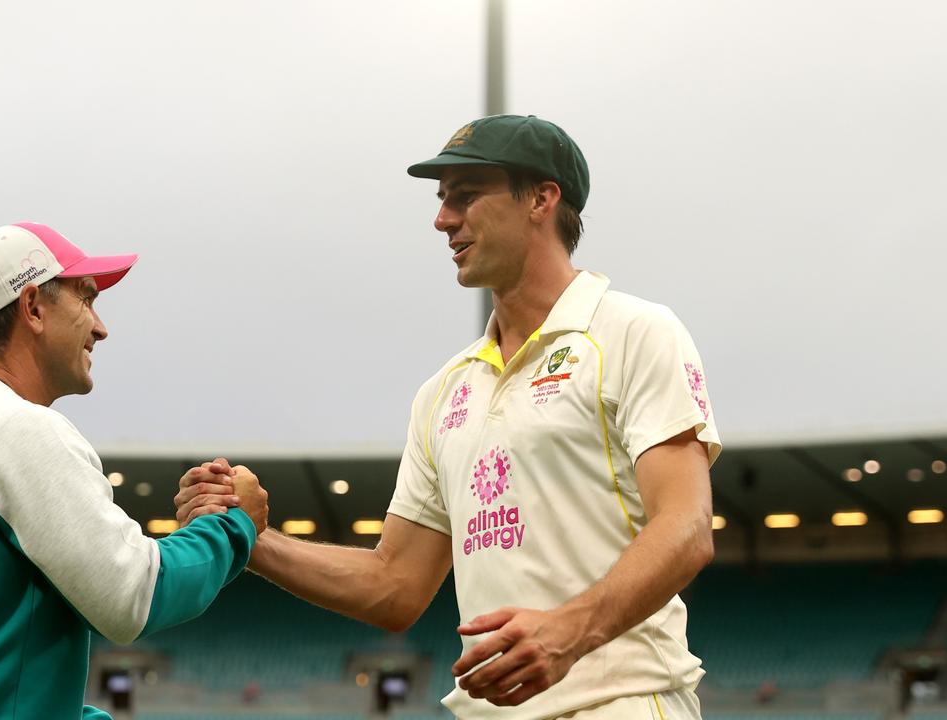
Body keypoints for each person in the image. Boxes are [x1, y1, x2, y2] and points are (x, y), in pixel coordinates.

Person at [177, 115, 720, 719]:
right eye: (441, 201)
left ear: (542, 198)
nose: (442, 219)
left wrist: (568, 632)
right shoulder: (443, 391)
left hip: (616, 703)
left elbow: (687, 525)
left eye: (465, 197)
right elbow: (394, 586)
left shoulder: (634, 333)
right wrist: (249, 536)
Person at [0, 222, 269, 719]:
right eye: (86, 299)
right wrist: (234, 524)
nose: (101, 327)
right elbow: (133, 596)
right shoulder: (18, 428)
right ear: (33, 307)